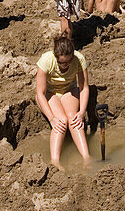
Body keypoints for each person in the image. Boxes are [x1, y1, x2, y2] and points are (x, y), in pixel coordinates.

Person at [34, 35, 90, 169]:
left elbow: (84, 88)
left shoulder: (79, 59)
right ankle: (55, 161)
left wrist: (82, 112)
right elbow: (40, 93)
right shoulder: (46, 61)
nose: (67, 65)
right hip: (49, 93)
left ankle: (87, 158)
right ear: (56, 57)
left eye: (69, 61)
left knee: (73, 118)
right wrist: (51, 117)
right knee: (61, 120)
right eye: (63, 63)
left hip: (68, 91)